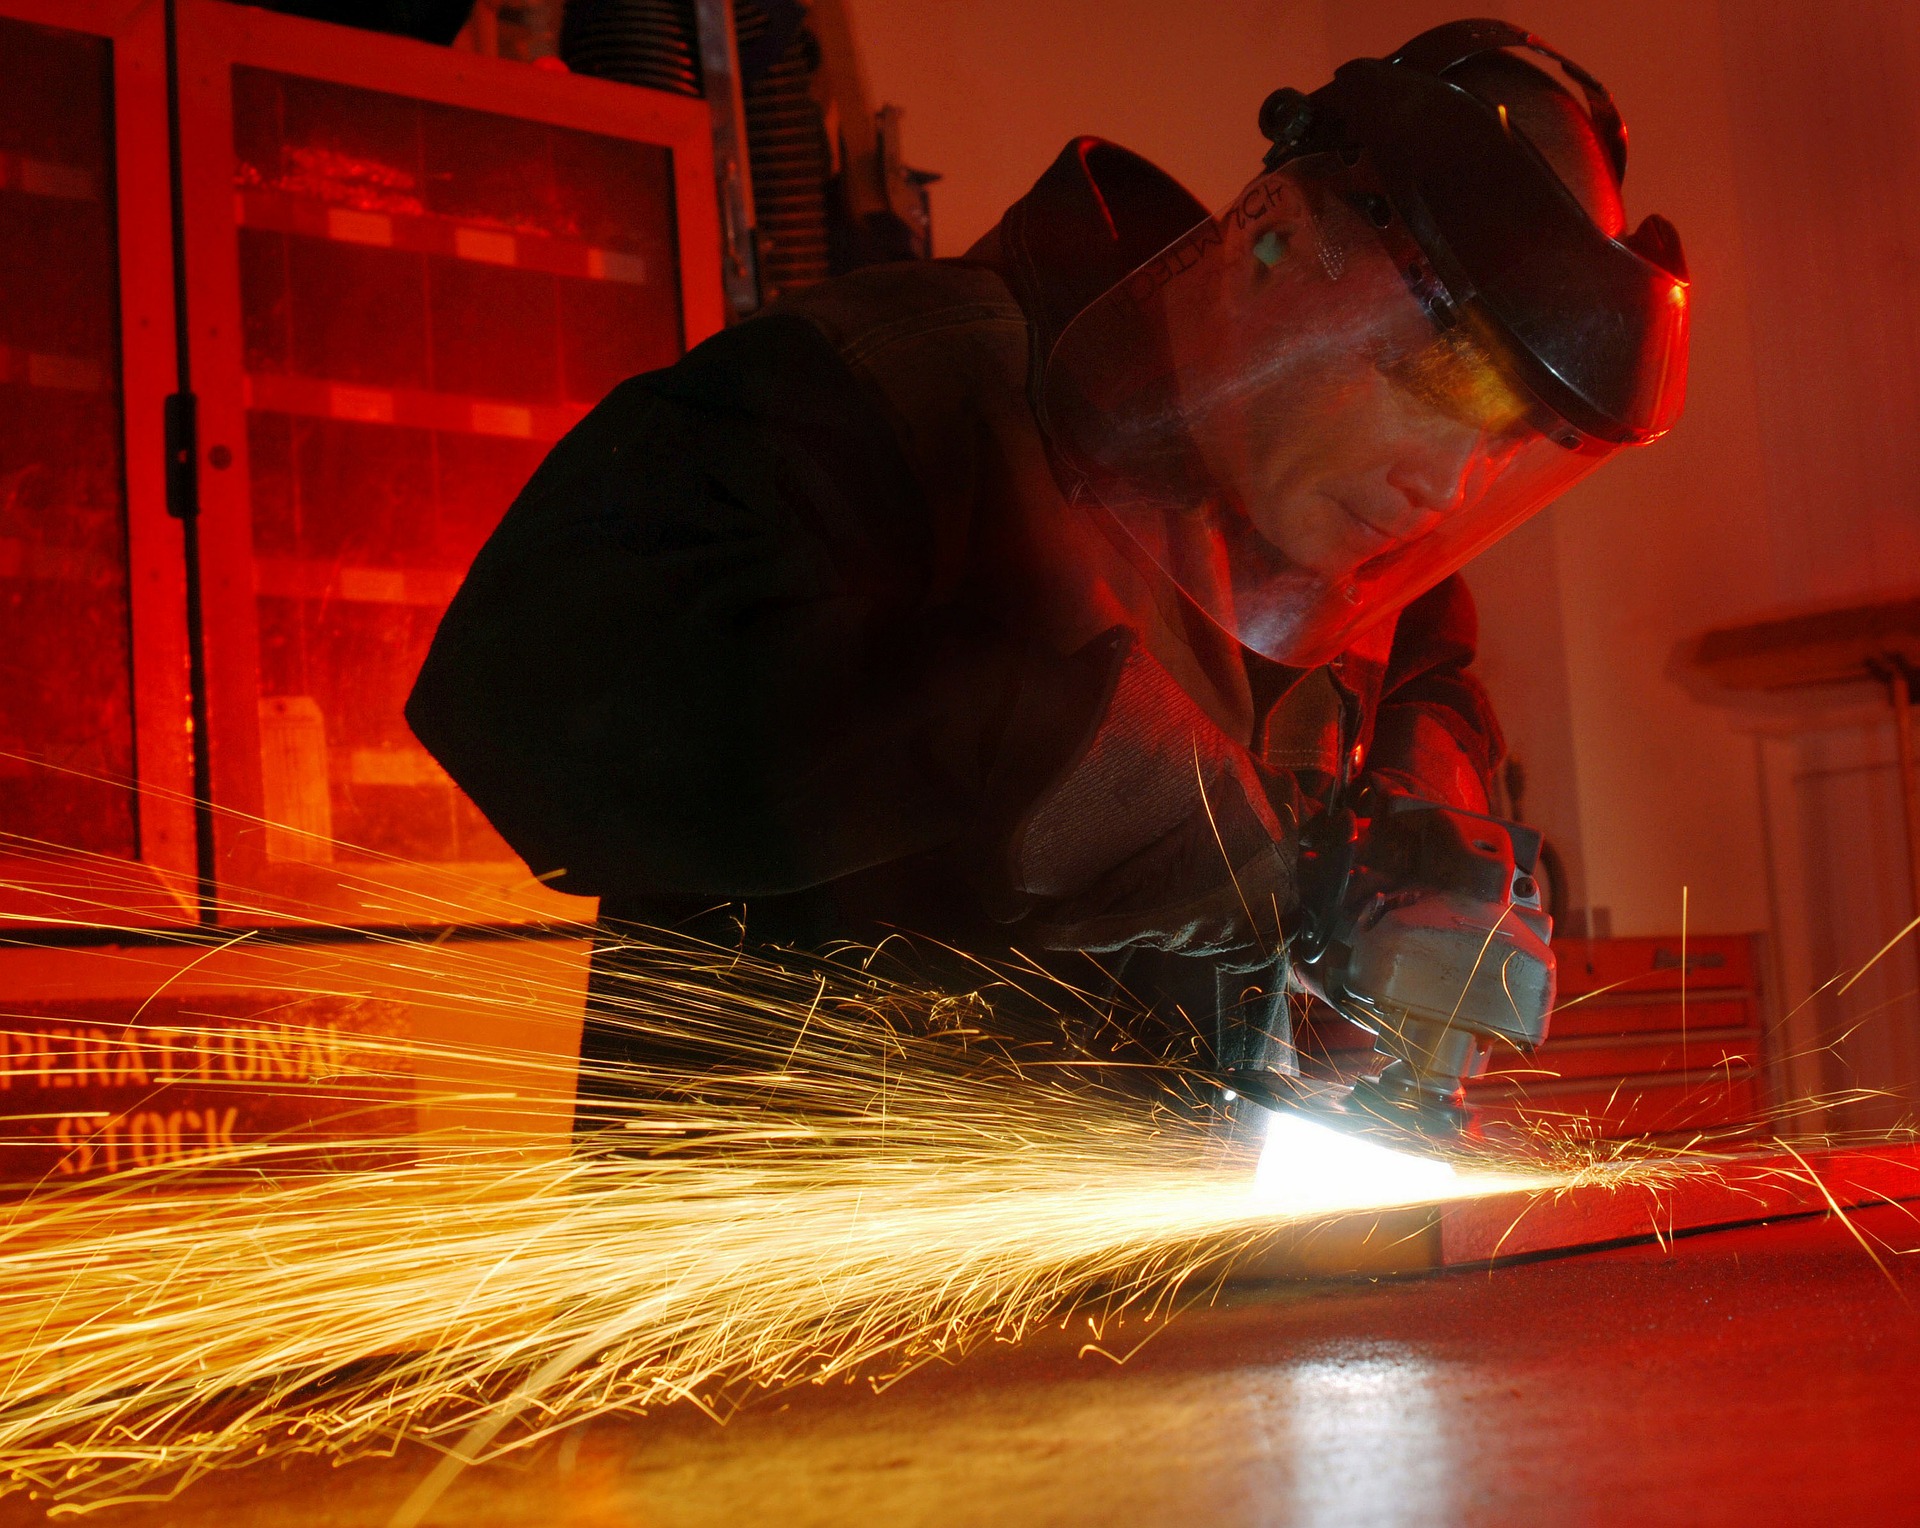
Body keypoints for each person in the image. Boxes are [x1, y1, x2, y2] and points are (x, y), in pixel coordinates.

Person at [406, 19, 1689, 1124]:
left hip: (1158, 1338)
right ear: (1281, 248)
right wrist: (1047, 756)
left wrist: (1416, 879)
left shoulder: (1376, 580)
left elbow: (1432, 722)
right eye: (1439, 383)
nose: (1449, 486)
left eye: (1505, 441)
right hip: (786, 1325)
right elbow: (517, 698)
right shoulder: (878, 392)